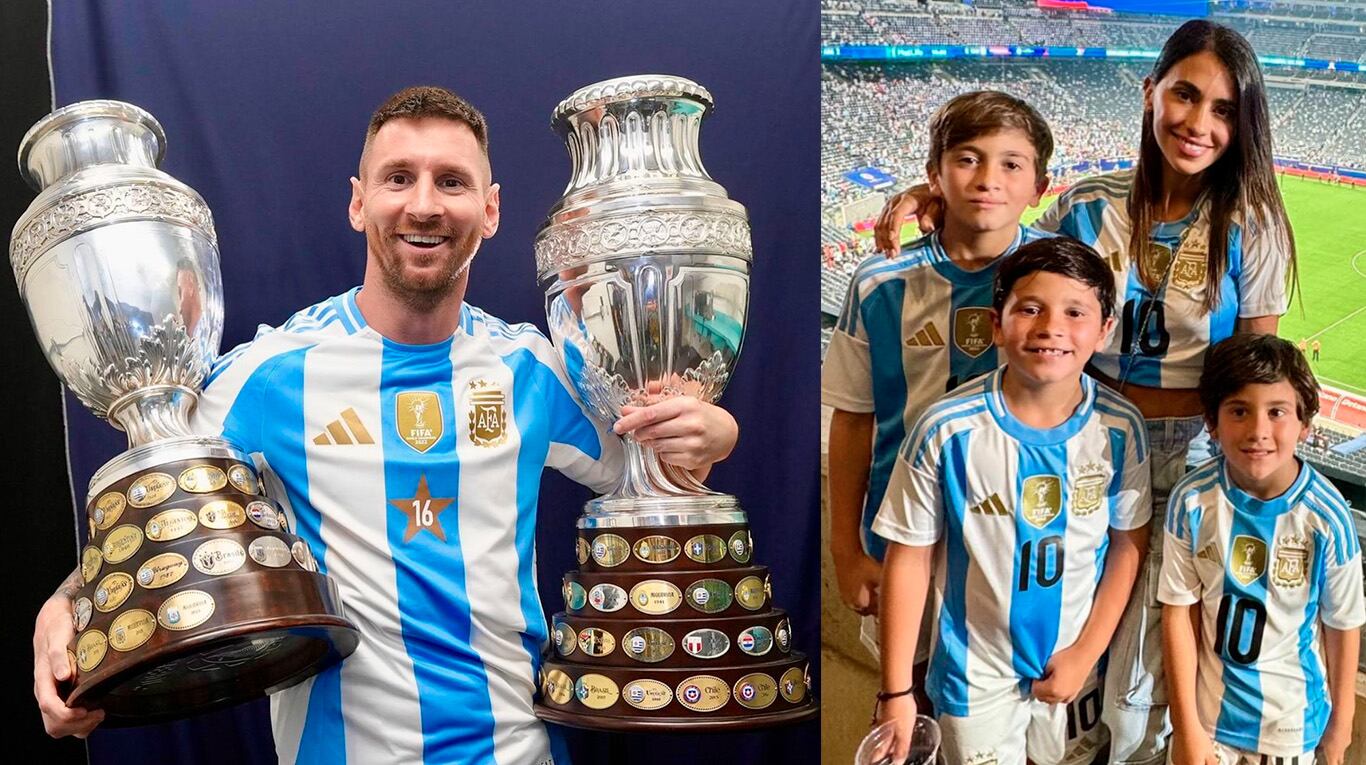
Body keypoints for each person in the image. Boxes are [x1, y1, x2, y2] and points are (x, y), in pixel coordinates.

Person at [32, 86, 740, 765]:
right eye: (399, 177)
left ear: (490, 210)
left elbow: (655, 476)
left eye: (453, 181)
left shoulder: (531, 368)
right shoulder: (268, 374)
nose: (424, 204)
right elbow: (160, 516)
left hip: (516, 751)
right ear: (358, 201)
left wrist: (714, 431)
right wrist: (67, 606)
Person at [871, 21, 1296, 763]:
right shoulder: (1087, 204)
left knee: (1157, 680)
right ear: (1150, 92)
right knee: (1074, 654)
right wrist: (940, 197)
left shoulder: (1253, 224)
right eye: (1185, 95)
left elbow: (1256, 369)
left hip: (1196, 466)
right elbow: (1026, 275)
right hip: (1093, 451)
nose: (1198, 123)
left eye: (1224, 109)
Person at [873, 238, 1152, 765]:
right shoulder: (946, 428)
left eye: (1075, 312)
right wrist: (896, 692)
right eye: (1030, 309)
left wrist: (1086, 652)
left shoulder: (1119, 428)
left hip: (1074, 668)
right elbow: (907, 558)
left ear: (1105, 329)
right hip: (973, 675)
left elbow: (1127, 546)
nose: (1051, 327)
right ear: (996, 324)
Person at [823, 91, 1054, 707]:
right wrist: (845, 549)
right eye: (967, 160)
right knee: (906, 706)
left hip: (1018, 550)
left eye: (1011, 164)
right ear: (934, 174)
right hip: (903, 548)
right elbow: (853, 420)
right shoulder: (879, 281)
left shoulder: (1055, 279)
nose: (987, 180)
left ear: (1040, 185)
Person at [1160, 333, 1362, 764]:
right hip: (1210, 720)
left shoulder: (1327, 518)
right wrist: (1186, 729)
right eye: (1238, 411)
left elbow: (1342, 626)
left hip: (1290, 727)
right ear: (1211, 422)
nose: (1258, 431)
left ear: (1305, 424)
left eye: (1277, 412)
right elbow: (1179, 612)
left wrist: (1340, 728)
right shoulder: (1192, 500)